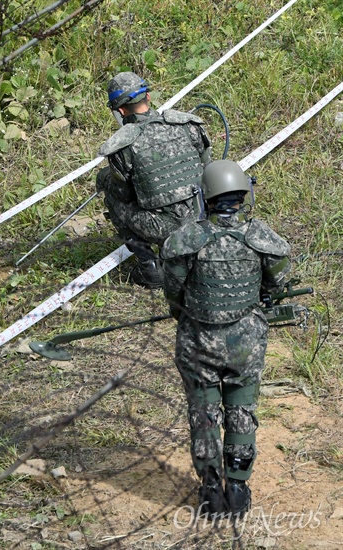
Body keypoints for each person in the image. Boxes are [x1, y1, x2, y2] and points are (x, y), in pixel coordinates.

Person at [161, 160, 291, 517]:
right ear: (243, 194)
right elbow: (278, 280)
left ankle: (209, 490)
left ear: (206, 196)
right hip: (246, 343)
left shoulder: (188, 239)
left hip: (198, 341)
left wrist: (187, 312)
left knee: (203, 412)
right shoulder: (261, 236)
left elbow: (173, 290)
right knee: (242, 409)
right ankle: (237, 488)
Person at [97, 71, 211, 289]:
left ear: (120, 111)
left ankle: (150, 268)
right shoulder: (187, 125)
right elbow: (210, 169)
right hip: (203, 218)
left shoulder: (123, 145)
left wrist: (105, 178)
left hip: (164, 228)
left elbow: (125, 195)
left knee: (114, 200)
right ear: (148, 97)